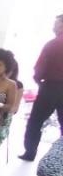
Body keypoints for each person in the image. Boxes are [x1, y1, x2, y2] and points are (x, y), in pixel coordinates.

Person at [22, 13, 63, 161]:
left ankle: (30, 152)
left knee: (36, 121)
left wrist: (39, 81)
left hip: (51, 87)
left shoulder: (52, 44)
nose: (53, 27)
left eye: (55, 24)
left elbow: (40, 68)